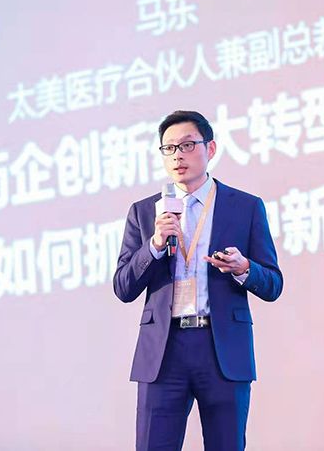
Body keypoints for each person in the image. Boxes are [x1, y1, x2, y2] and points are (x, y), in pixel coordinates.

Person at [113, 110, 283, 450]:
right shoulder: (145, 212)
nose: (178, 155)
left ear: (211, 148)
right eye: (169, 148)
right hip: (164, 351)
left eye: (188, 145)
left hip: (221, 349)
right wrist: (155, 245)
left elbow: (273, 284)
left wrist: (243, 268)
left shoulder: (245, 207)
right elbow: (123, 287)